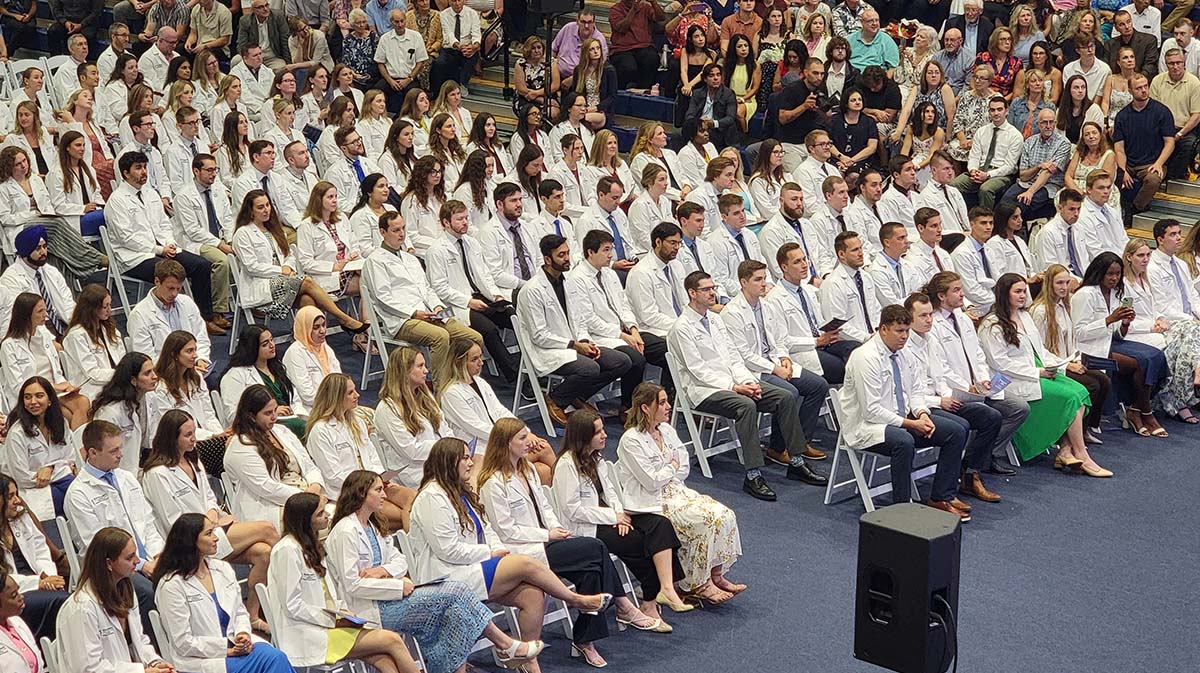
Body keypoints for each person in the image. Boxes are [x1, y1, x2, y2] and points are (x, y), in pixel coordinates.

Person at [410, 438, 612, 673]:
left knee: (532, 594)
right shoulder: (431, 497)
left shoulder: (459, 491)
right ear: (447, 462)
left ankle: (528, 661)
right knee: (525, 563)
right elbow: (448, 550)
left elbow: (487, 529)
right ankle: (576, 600)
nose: (470, 463)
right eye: (464, 458)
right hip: (445, 576)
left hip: (473, 566)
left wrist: (498, 550)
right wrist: (490, 553)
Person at [669, 270, 826, 500]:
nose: (712, 293)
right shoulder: (681, 328)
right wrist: (734, 387)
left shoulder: (715, 319)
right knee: (746, 405)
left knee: (785, 397)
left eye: (713, 288)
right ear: (692, 293)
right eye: (706, 289)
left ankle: (796, 461)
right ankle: (753, 475)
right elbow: (697, 370)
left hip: (734, 381)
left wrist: (748, 381)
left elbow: (734, 358)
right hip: (704, 390)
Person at [142, 410, 278, 627]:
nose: (194, 439)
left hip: (211, 528)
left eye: (194, 433)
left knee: (264, 552)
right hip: (189, 540)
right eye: (187, 435)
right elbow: (173, 520)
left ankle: (251, 616)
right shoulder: (157, 473)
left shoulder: (193, 461)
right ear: (172, 437)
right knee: (267, 529)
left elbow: (210, 499)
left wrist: (213, 515)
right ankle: (292, 582)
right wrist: (211, 522)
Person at [617, 382, 746, 605]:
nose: (668, 407)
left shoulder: (667, 430)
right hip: (650, 499)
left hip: (676, 489)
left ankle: (715, 574)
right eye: (662, 402)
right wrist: (671, 467)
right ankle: (698, 583)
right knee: (704, 520)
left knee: (725, 514)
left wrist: (669, 471)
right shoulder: (631, 440)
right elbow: (651, 481)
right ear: (646, 408)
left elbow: (683, 464)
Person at [553, 409, 680, 631]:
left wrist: (620, 515)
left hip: (610, 517)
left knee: (660, 525)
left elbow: (610, 492)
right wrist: (613, 517)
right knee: (637, 542)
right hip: (586, 526)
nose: (605, 435)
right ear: (583, 436)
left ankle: (666, 588)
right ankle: (649, 601)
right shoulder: (566, 465)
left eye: (603, 429)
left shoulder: (596, 458)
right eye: (598, 432)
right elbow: (573, 510)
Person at [838, 304, 969, 517]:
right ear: (883, 329)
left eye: (907, 330)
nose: (905, 336)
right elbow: (871, 411)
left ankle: (940, 497)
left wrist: (922, 414)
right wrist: (911, 424)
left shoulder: (904, 353)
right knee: (904, 441)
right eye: (899, 331)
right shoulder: (865, 357)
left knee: (955, 431)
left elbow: (915, 391)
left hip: (901, 416)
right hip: (868, 426)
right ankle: (902, 511)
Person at [979, 274, 1109, 475]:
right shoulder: (991, 324)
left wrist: (1059, 364)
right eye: (1017, 291)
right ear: (1004, 294)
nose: (1023, 295)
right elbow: (1000, 363)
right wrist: (1037, 372)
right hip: (1012, 379)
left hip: (1036, 369)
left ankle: (1065, 450)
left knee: (1081, 391)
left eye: (1024, 291)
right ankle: (1081, 453)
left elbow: (1040, 351)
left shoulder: (1024, 316)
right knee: (1070, 397)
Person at [515, 234, 633, 425]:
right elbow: (539, 336)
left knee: (622, 362)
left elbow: (580, 320)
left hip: (575, 343)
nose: (567, 259)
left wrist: (585, 341)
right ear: (547, 259)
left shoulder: (568, 281)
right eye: (561, 255)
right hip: (549, 349)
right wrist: (574, 345)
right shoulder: (532, 290)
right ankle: (556, 399)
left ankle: (575, 395)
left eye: (568, 253)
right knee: (590, 368)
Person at [153, 513, 291, 673]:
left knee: (276, 657)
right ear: (191, 541)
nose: (216, 538)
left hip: (236, 647)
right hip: (202, 659)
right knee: (271, 663)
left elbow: (239, 612)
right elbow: (183, 642)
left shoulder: (223, 569)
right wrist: (226, 650)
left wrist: (243, 634)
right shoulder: (171, 586)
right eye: (209, 533)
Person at [922, 272, 1031, 475]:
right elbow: (940, 368)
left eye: (961, 289)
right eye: (956, 290)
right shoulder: (933, 325)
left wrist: (983, 378)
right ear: (941, 296)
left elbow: (978, 353)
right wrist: (967, 387)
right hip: (956, 391)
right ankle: (974, 466)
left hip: (979, 386)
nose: (962, 294)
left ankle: (986, 455)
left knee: (1019, 408)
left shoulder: (963, 318)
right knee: (990, 415)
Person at [722, 259, 831, 461]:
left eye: (764, 278)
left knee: (818, 386)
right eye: (758, 280)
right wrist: (775, 369)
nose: (764, 283)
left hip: (775, 361)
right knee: (790, 393)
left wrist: (784, 357)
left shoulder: (766, 305)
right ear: (743, 282)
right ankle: (778, 448)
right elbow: (744, 355)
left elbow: (779, 339)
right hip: (753, 370)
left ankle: (802, 442)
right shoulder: (732, 313)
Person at [903, 294, 1003, 505]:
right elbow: (909, 393)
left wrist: (948, 395)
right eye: (923, 316)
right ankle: (941, 496)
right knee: (958, 429)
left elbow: (939, 377)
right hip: (919, 408)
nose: (929, 320)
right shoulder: (904, 345)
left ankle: (970, 474)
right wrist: (940, 402)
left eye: (930, 315)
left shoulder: (930, 340)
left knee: (991, 416)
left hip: (941, 399)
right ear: (909, 318)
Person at [107, 151, 224, 333]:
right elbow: (126, 238)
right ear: (125, 173)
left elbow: (164, 224)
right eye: (138, 168)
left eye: (145, 167)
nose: (144, 171)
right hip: (134, 257)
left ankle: (205, 318)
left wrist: (169, 243)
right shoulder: (116, 201)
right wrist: (160, 250)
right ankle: (171, 322)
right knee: (172, 272)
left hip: (163, 248)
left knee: (201, 265)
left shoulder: (151, 194)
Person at [64, 421, 163, 631]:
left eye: (120, 448)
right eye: (114, 451)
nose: (120, 455)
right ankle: (152, 646)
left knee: (184, 575)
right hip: (111, 568)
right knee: (150, 592)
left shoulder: (127, 478)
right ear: (93, 453)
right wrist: (141, 564)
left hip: (146, 557)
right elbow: (96, 546)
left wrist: (158, 555)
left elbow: (147, 522)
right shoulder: (78, 494)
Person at [232, 191, 371, 337]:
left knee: (308, 300)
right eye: (260, 207)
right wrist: (281, 270)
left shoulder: (275, 230)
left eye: (267, 205)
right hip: (261, 286)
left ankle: (308, 341)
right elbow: (251, 267)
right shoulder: (243, 234)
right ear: (251, 211)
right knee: (306, 281)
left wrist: (288, 267)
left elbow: (289, 255)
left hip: (284, 282)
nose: (266, 210)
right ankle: (344, 318)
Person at [1072, 252, 1168, 437]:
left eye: (1117, 274)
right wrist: (1109, 319)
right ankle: (1145, 412)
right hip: (1088, 348)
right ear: (1099, 272)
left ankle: (1136, 409)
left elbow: (1116, 333)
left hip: (1111, 342)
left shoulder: (1116, 293)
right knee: (1141, 361)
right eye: (1110, 274)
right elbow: (1079, 334)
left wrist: (1124, 323)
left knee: (1155, 354)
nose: (1114, 278)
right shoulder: (1085, 294)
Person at [437, 339, 559, 484]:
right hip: (481, 450)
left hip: (501, 440)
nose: (481, 363)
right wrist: (513, 437)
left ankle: (563, 490)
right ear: (459, 363)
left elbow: (500, 411)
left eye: (480, 357)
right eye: (474, 359)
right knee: (543, 452)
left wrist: (524, 432)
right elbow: (475, 426)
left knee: (542, 468)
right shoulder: (451, 393)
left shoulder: (480, 382)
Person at [425, 200, 521, 382]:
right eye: (459, 219)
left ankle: (531, 366)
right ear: (446, 222)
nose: (465, 222)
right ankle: (515, 377)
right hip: (458, 304)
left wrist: (495, 295)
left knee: (514, 316)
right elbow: (439, 288)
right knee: (489, 330)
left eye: (466, 218)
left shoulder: (472, 243)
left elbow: (484, 275)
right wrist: (469, 302)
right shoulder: (436, 251)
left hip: (481, 297)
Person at [55, 528, 171, 673]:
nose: (137, 561)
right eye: (130, 557)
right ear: (109, 563)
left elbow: (139, 640)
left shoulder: (125, 589)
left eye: (135, 554)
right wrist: (141, 671)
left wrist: (155, 663)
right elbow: (88, 669)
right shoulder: (81, 609)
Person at [305, 374, 412, 522]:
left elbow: (372, 456)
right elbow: (333, 476)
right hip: (350, 492)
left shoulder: (358, 422)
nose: (357, 395)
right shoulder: (320, 431)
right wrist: (368, 484)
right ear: (336, 397)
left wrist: (379, 478)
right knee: (404, 515)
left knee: (414, 500)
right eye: (350, 393)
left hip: (372, 484)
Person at [224, 384, 326, 528]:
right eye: (267, 413)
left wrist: (315, 486)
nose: (274, 417)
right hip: (273, 504)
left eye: (275, 410)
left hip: (305, 493)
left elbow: (309, 466)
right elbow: (266, 487)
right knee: (321, 523)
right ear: (251, 416)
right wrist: (305, 499)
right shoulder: (240, 445)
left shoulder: (282, 431)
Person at [1029, 264, 1112, 440]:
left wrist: (1077, 359)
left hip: (1068, 359)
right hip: (1053, 364)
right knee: (1092, 385)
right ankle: (1072, 433)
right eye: (1059, 283)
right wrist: (1066, 366)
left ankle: (1087, 427)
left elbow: (1072, 341)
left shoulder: (1065, 306)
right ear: (1049, 284)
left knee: (1104, 380)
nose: (1064, 287)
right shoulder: (1040, 311)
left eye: (1067, 283)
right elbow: (1040, 350)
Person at [1129, 232, 1200, 420]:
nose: (1146, 259)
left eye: (1147, 255)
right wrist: (1153, 324)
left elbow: (1188, 297)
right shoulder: (1127, 283)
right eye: (1141, 255)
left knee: (1186, 340)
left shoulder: (1147, 278)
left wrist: (1160, 318)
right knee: (1191, 331)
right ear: (1129, 257)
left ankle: (1179, 398)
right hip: (1144, 331)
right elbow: (1126, 318)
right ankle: (1186, 390)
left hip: (1164, 324)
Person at [1, 295, 91, 429]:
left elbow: (57, 372)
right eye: (40, 311)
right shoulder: (9, 346)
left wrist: (66, 386)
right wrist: (53, 387)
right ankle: (71, 441)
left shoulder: (44, 336)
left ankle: (77, 442)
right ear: (26, 315)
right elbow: (17, 387)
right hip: (32, 397)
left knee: (83, 402)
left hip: (54, 392)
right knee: (66, 415)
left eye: (45, 310)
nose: (46, 315)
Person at [147, 330, 229, 474]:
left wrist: (220, 434)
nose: (195, 355)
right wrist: (212, 437)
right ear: (174, 354)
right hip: (178, 445)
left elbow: (209, 414)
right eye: (189, 351)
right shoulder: (160, 388)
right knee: (228, 450)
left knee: (234, 443)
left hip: (206, 439)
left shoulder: (196, 377)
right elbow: (174, 428)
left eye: (195, 350)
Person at [0, 473, 69, 639]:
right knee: (63, 601)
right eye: (10, 496)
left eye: (16, 494)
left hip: (41, 581)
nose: (17, 501)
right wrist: (38, 582)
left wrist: (48, 576)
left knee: (67, 599)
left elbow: (40, 549)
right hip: (15, 593)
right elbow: (3, 579)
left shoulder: (20, 517)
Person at [374, 348, 452, 489]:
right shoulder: (387, 409)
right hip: (413, 471)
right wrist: (445, 447)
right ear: (404, 371)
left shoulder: (425, 396)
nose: (426, 371)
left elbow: (444, 428)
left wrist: (453, 446)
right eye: (420, 366)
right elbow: (410, 451)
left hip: (440, 460)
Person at [4, 376, 76, 521]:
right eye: (27, 397)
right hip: (35, 492)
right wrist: (60, 469)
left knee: (81, 493)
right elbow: (21, 477)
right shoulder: (17, 433)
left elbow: (71, 459)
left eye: (39, 396)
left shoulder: (61, 423)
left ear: (50, 400)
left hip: (64, 483)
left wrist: (50, 468)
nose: (33, 402)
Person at [126, 260, 215, 368]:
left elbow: (201, 336)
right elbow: (146, 356)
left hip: (192, 366)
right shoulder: (139, 314)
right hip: (162, 371)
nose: (174, 294)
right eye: (170, 288)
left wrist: (200, 359)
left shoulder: (187, 302)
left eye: (178, 289)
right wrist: (175, 370)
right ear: (157, 281)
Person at [1112, 72, 1175, 215]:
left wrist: (1159, 163)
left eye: (1145, 86)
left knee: (1153, 180)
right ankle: (1115, 208)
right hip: (1129, 163)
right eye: (1138, 88)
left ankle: (1135, 208)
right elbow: (1119, 148)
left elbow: (1170, 142)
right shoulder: (1122, 116)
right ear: (1130, 91)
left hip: (1152, 163)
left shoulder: (1162, 112)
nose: (1144, 90)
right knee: (1111, 174)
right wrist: (1123, 170)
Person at [0, 227, 75, 342]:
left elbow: (68, 303)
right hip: (35, 330)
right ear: (26, 251)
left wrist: (79, 325)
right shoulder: (11, 279)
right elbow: (23, 318)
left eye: (45, 247)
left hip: (61, 323)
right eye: (38, 248)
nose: (43, 252)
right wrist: (50, 341)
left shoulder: (51, 271)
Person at [89, 353, 157, 474]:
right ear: (133, 380)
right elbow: (104, 454)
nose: (155, 376)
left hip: (140, 467)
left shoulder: (150, 398)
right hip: (118, 472)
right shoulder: (110, 411)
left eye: (153, 371)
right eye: (147, 373)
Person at [819, 232, 880, 343]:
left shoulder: (866, 277)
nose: (861, 253)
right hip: (849, 342)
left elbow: (876, 310)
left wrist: (879, 333)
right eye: (855, 250)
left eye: (861, 248)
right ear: (841, 254)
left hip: (873, 336)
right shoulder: (833, 283)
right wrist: (867, 337)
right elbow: (837, 325)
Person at [949, 208, 1001, 317]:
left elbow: (997, 279)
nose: (988, 227)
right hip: (978, 310)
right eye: (983, 223)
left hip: (995, 306)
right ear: (972, 224)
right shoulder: (962, 254)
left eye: (991, 223)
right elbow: (971, 290)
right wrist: (1000, 300)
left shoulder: (988, 249)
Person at [914, 151, 970, 243]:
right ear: (934, 170)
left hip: (965, 237)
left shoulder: (954, 191)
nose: (950, 172)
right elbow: (931, 227)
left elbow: (965, 219)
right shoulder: (926, 196)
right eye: (946, 169)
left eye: (952, 168)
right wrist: (960, 234)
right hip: (946, 241)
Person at [1074, 171, 1129, 264]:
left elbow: (1124, 240)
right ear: (1088, 189)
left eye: (1108, 187)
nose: (1106, 191)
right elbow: (1095, 251)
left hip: (1122, 260)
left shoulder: (1112, 211)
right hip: (1102, 265)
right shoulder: (1083, 215)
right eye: (1101, 188)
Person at [609, 0, 664, 90]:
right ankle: (620, 91)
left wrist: (654, 3)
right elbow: (622, 28)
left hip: (643, 46)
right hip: (622, 49)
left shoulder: (644, 7)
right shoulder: (615, 9)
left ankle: (643, 91)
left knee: (652, 58)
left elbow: (661, 18)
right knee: (628, 67)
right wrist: (633, 10)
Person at [431, 0, 481, 94]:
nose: (457, 4)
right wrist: (458, 45)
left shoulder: (472, 14)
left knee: (472, 55)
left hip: (468, 48)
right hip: (450, 48)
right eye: (454, 1)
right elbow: (448, 34)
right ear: (449, 1)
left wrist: (474, 47)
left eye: (459, 0)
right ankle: (437, 91)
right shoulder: (444, 14)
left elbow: (476, 35)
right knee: (439, 63)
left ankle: (462, 84)